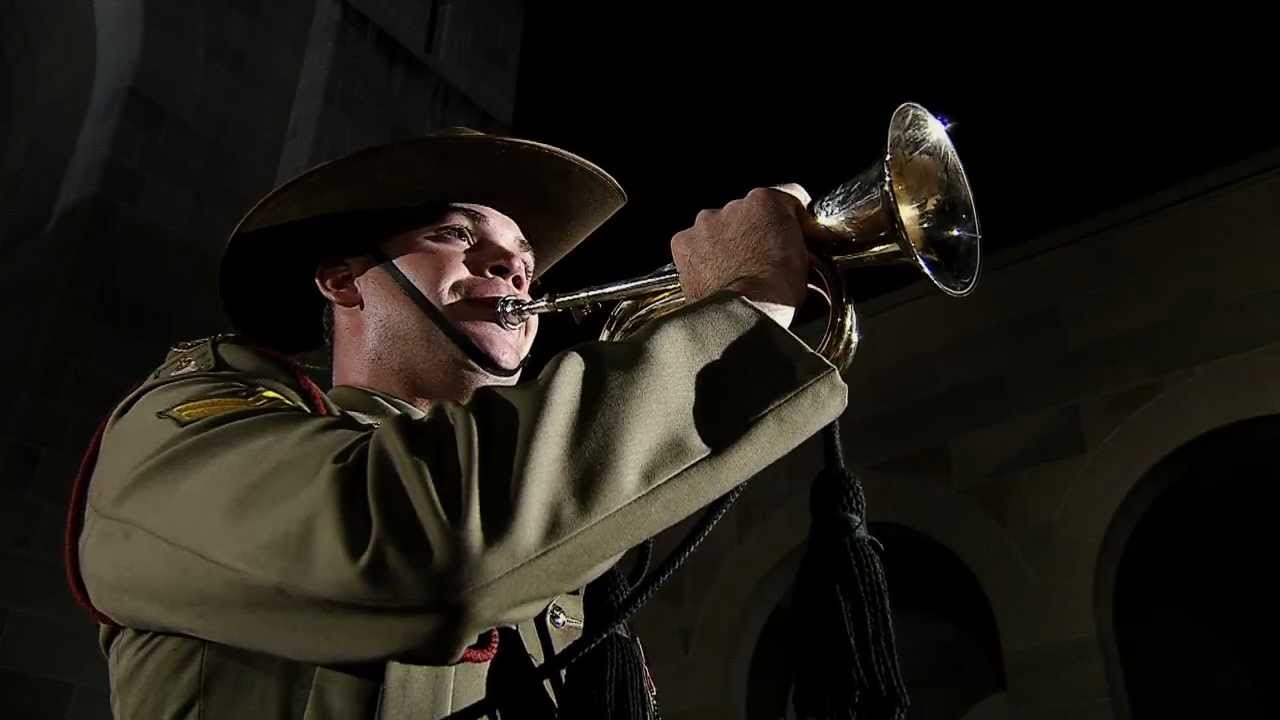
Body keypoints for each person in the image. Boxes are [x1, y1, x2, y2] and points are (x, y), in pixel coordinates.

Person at [65, 128, 848, 718]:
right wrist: (735, 312)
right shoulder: (187, 429)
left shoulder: (555, 518)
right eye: (456, 235)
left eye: (524, 258)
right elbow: (422, 548)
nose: (513, 268)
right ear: (342, 279)